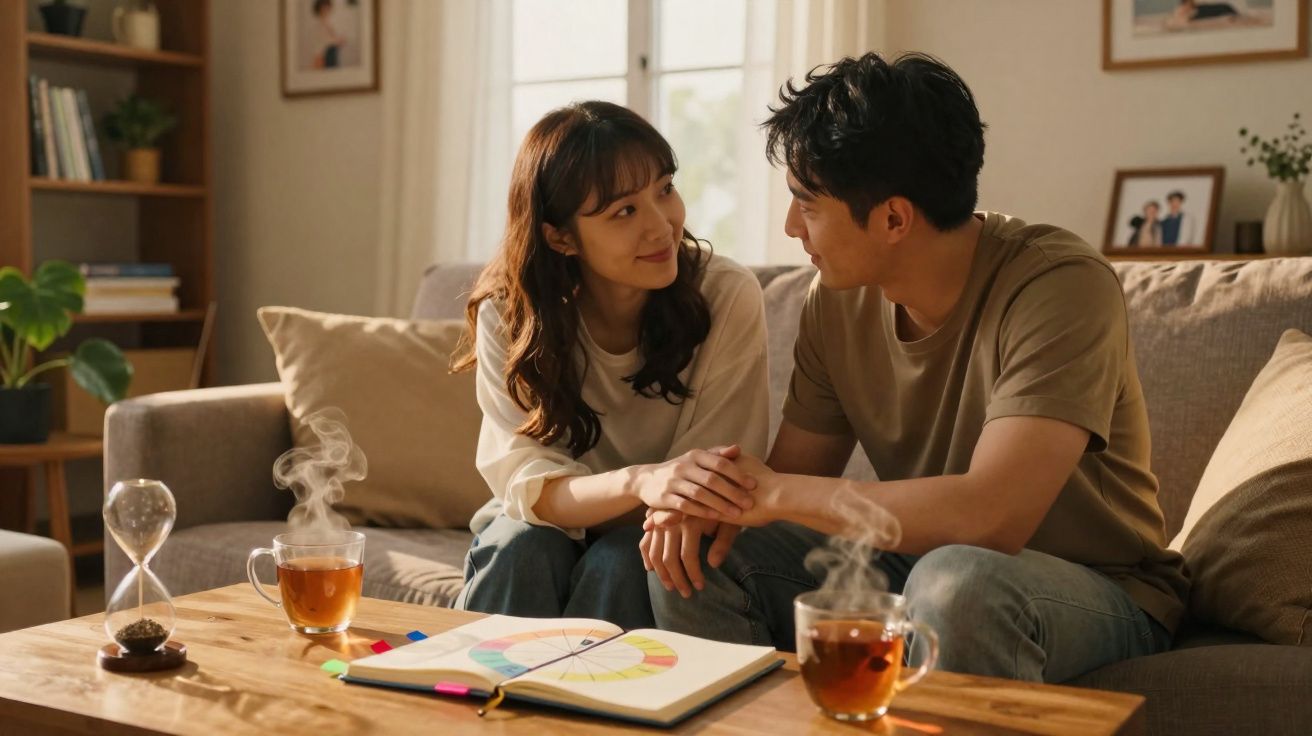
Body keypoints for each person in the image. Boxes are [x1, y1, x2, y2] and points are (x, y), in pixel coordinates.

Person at [642, 52, 1188, 684]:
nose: (792, 227)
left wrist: (774, 492)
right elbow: (791, 479)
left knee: (959, 582)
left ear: (894, 218)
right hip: (921, 565)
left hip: (1098, 592)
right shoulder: (835, 300)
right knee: (700, 554)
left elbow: (993, 518)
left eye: (807, 205)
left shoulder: (1060, 285)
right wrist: (710, 499)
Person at [451, 101, 770, 630]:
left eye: (664, 189)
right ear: (560, 236)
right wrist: (641, 481)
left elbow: (709, 482)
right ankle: (469, 701)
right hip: (542, 526)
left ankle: (588, 708)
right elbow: (528, 488)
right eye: (624, 211)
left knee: (623, 560)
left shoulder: (726, 296)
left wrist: (657, 494)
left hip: (658, 531)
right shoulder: (509, 313)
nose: (662, 226)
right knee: (520, 548)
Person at [312, 0, 344, 69]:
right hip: (323, 57)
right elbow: (325, 41)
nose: (326, 10)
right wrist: (338, 41)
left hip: (330, 54)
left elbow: (332, 38)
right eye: (324, 8)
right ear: (319, 9)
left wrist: (339, 40)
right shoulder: (319, 25)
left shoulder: (327, 23)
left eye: (328, 8)